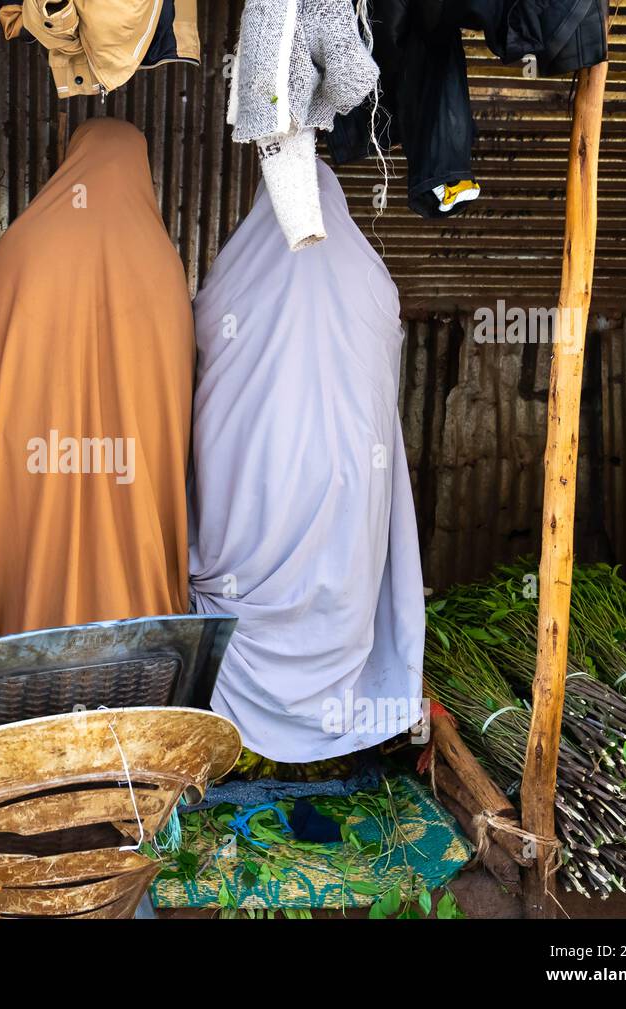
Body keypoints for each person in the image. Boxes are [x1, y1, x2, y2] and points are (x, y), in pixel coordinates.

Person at [188, 160, 426, 764]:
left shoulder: (235, 278)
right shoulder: (372, 280)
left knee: (241, 556)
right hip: (350, 485)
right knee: (341, 571)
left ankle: (235, 726)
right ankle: (329, 712)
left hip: (255, 489)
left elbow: (208, 338)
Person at [0, 116, 194, 638]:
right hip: (132, 496)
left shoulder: (18, 251)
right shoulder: (161, 264)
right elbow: (172, 416)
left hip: (32, 485)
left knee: (32, 592)